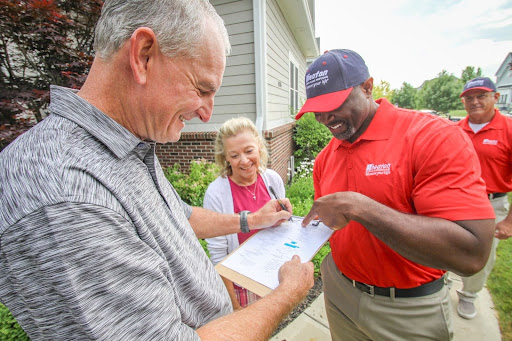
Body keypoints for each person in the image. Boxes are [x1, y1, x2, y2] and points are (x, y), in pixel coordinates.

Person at [0, 1, 314, 340]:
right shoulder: (66, 193)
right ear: (144, 55)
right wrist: (286, 294)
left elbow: (178, 217)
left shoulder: (127, 143)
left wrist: (252, 221)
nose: (208, 113)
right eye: (202, 89)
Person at [297, 49, 495, 341]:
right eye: (317, 108)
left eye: (334, 104)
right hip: (340, 291)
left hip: (408, 309)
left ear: (367, 87)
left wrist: (361, 207)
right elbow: (330, 224)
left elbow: (472, 253)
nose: (325, 118)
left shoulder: (430, 137)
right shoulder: (326, 157)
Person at [204, 116, 286, 310]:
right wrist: (234, 305)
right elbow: (218, 256)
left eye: (249, 151)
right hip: (241, 283)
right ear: (225, 157)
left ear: (259, 146)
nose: (244, 161)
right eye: (234, 155)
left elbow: (281, 230)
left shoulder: (272, 180)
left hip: (272, 274)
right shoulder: (216, 194)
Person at [454, 77, 512, 319]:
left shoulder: (508, 129)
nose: (474, 102)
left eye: (481, 96)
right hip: (455, 200)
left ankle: (469, 295)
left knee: (482, 253)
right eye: (469, 97)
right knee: (446, 243)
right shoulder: (456, 129)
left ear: (495, 97)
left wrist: (509, 221)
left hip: (490, 203)